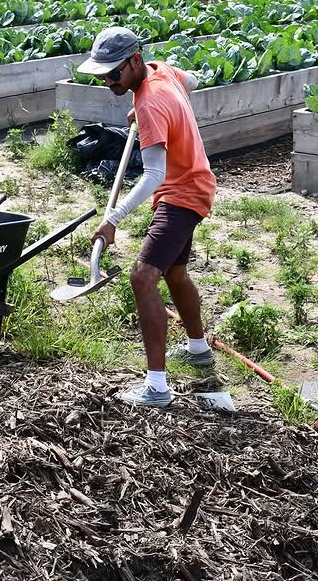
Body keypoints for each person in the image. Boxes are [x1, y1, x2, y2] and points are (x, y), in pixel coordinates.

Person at [78, 26, 216, 407]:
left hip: (182, 193)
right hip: (196, 182)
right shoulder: (160, 71)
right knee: (175, 272)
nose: (108, 81)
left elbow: (153, 174)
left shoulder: (150, 102)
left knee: (142, 277)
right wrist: (154, 109)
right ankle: (199, 349)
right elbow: (191, 81)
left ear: (135, 60)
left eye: (114, 73)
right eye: (103, 75)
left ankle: (157, 387)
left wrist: (113, 219)